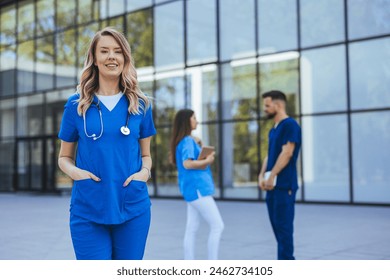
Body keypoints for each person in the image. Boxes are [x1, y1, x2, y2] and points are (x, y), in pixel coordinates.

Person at [57, 27, 156, 260]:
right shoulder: (76, 105)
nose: (112, 56)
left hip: (132, 206)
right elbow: (64, 158)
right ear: (95, 59)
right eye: (104, 51)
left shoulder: (141, 104)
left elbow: (146, 156)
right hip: (89, 207)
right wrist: (77, 173)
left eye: (118, 51)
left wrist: (145, 173)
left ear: (125, 58)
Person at [170, 109, 224, 260]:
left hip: (191, 190)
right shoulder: (187, 140)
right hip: (198, 189)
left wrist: (199, 144)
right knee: (217, 226)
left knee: (192, 229)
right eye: (194, 118)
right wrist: (207, 161)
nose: (197, 121)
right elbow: (187, 164)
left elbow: (190, 160)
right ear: (187, 120)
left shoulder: (185, 141)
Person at [258, 90, 301, 260]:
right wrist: (261, 175)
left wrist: (272, 175)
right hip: (271, 188)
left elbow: (287, 153)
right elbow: (270, 155)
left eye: (267, 105)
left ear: (279, 105)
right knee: (278, 232)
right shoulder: (273, 130)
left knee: (284, 232)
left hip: (284, 187)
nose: (265, 109)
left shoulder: (290, 125)